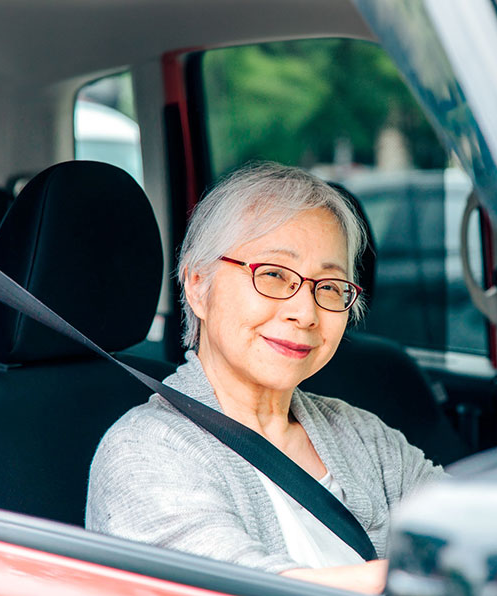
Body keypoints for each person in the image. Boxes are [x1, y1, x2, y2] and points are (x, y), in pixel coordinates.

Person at [86, 162, 445, 594]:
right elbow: (242, 587)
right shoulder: (143, 450)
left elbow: (473, 528)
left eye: (329, 286)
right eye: (274, 275)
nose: (306, 313)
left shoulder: (362, 434)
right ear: (199, 287)